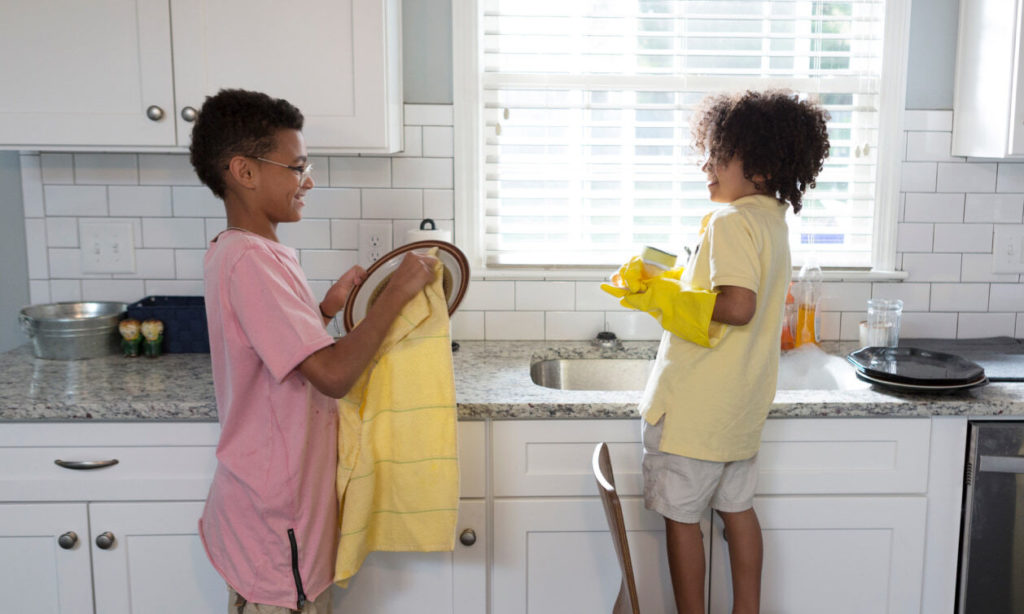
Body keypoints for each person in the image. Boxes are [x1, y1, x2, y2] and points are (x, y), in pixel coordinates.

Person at [189, 88, 437, 614]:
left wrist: (324, 309)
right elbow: (330, 375)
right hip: (278, 526)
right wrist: (393, 296)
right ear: (245, 171)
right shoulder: (252, 261)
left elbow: (274, 352)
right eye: (297, 166)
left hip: (267, 508)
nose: (309, 180)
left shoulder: (243, 251)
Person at [638, 90, 830, 614]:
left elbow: (737, 305)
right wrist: (679, 283)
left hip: (695, 414)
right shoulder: (772, 220)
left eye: (719, 154)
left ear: (761, 166)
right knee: (738, 510)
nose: (707, 164)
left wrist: (664, 297)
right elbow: (739, 291)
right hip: (739, 412)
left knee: (682, 520)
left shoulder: (729, 221)